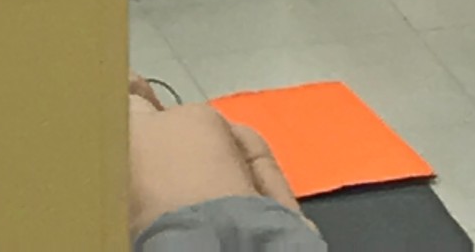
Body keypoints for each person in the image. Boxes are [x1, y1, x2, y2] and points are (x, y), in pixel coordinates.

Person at [129, 75, 327, 250]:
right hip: (249, 211)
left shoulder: (114, 145)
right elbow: (259, 158)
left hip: (172, 228)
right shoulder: (199, 113)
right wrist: (293, 214)